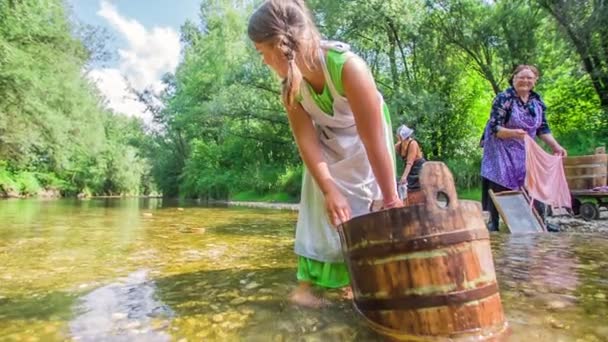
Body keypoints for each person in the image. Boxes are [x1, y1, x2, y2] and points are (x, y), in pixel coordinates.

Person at [248, 0, 402, 308]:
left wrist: (391, 198)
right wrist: (330, 189)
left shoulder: (348, 67)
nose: (264, 61)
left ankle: (354, 280)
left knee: (367, 205)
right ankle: (310, 285)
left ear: (280, 44)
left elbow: (374, 141)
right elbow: (307, 144)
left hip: (364, 139)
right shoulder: (290, 88)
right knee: (320, 202)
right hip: (327, 141)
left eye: (262, 51)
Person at [480, 64, 567, 231]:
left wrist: (556, 147)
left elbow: (542, 128)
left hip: (523, 146)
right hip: (499, 145)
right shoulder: (503, 98)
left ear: (535, 81)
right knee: (500, 178)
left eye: (529, 78)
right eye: (521, 77)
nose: (525, 81)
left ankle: (540, 221)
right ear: (513, 79)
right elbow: (495, 128)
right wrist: (513, 133)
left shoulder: (537, 101)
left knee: (532, 179)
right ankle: (493, 222)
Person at [395, 125, 426, 204]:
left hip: (418, 168)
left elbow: (410, 162)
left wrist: (404, 176)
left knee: (414, 186)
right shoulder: (399, 146)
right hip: (409, 168)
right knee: (403, 186)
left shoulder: (413, 143)